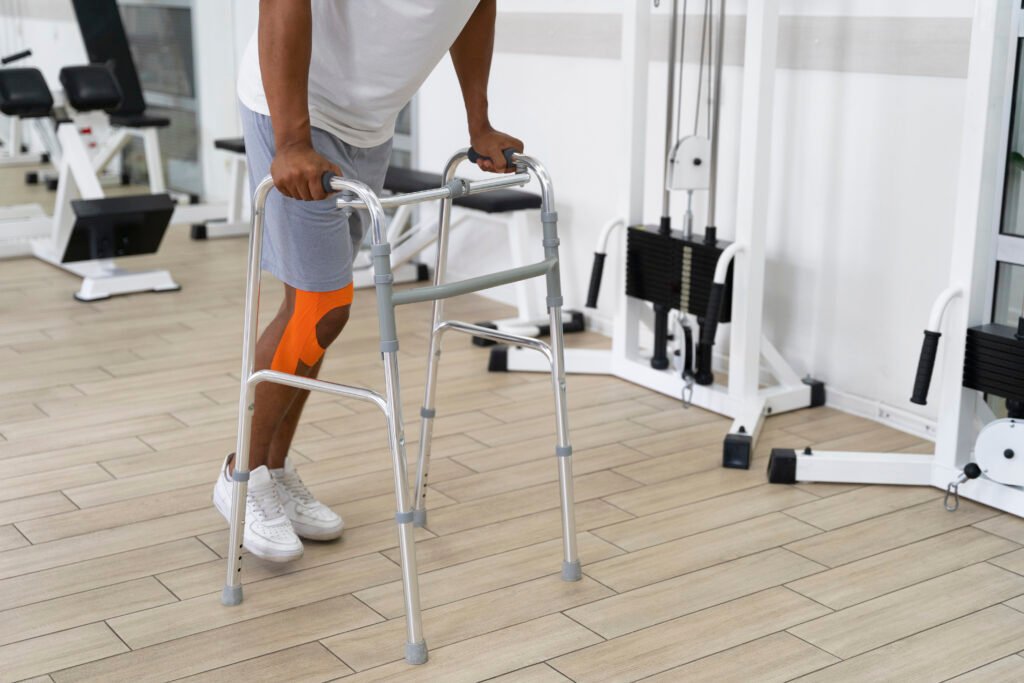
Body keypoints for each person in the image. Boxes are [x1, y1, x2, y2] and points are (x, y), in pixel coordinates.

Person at [212, 0, 523, 562]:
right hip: (294, 108)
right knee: (321, 304)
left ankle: (273, 470)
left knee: (318, 309)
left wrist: (479, 121)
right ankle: (242, 473)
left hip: (371, 125)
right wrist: (290, 140)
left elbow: (474, 8)